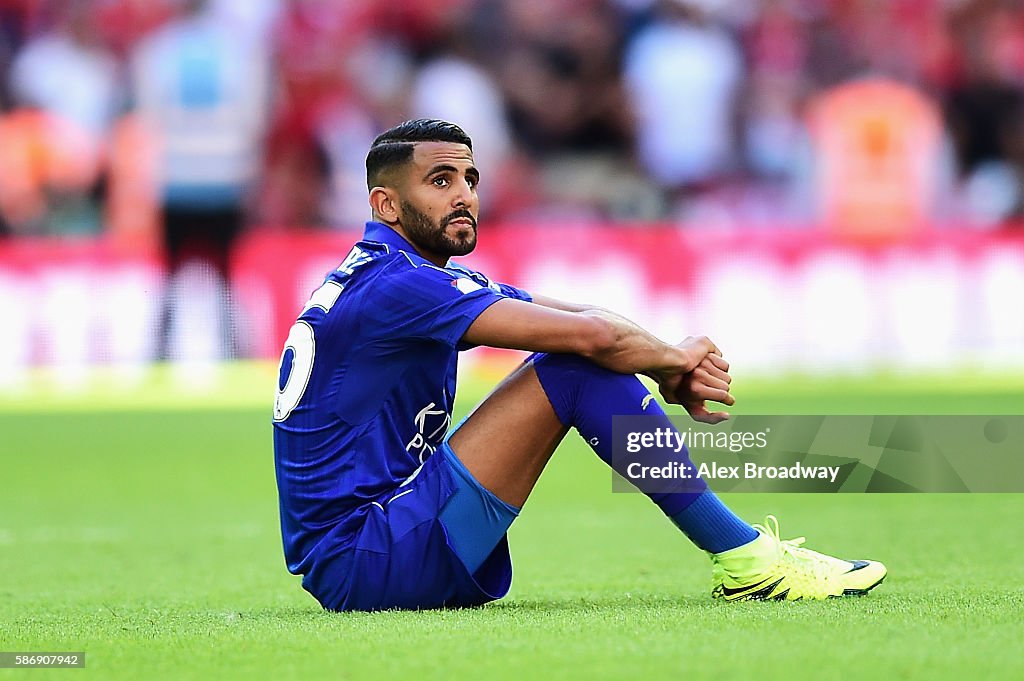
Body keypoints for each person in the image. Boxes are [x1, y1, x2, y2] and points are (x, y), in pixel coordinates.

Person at [272, 119, 886, 611]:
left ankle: (747, 557)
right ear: (386, 204)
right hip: (369, 556)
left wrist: (661, 360)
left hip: (380, 541)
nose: (464, 196)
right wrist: (671, 362)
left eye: (470, 177)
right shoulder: (399, 288)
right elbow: (590, 338)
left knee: (580, 357)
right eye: (439, 181)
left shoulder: (404, 276)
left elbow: (585, 315)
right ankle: (749, 561)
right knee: (574, 369)